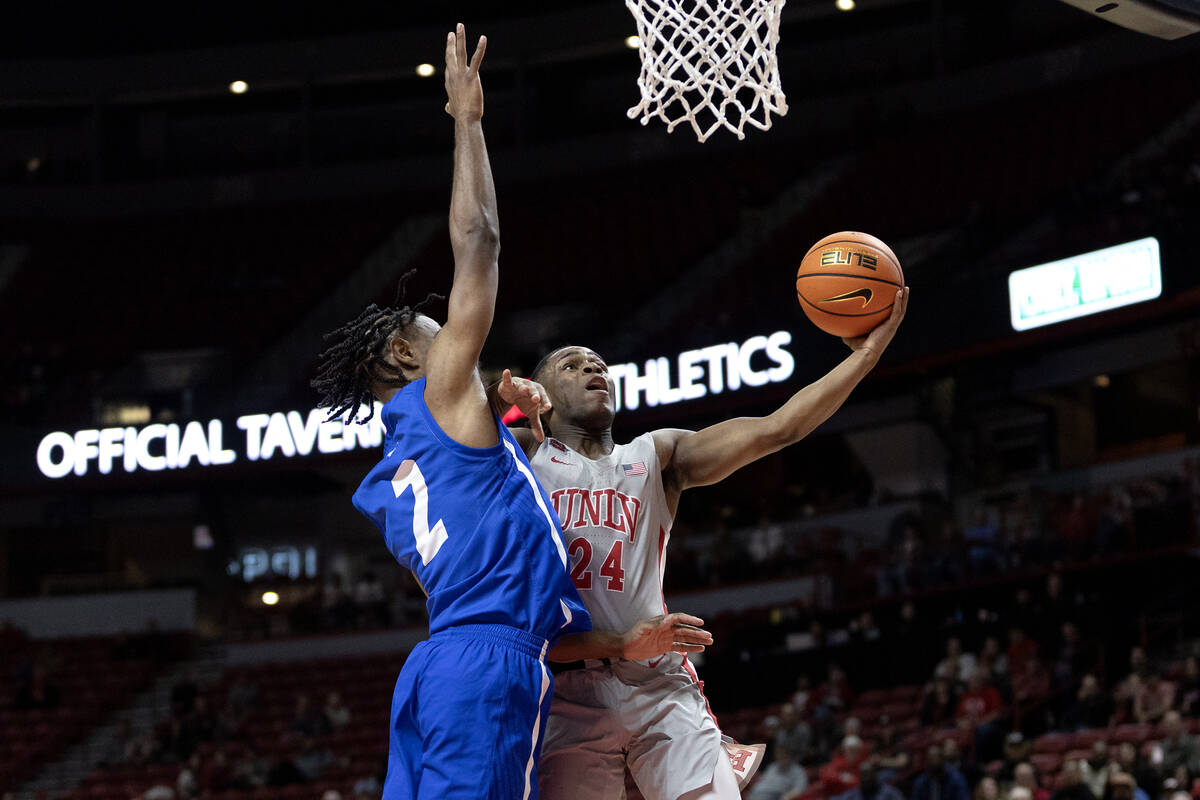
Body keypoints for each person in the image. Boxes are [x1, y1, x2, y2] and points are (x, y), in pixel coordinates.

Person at [312, 25, 707, 800]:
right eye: (432, 333)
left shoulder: (391, 474)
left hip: (434, 669)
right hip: (488, 670)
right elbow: (479, 242)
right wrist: (468, 123)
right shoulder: (438, 393)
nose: (450, 339)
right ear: (401, 354)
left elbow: (488, 520)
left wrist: (505, 408)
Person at [498, 283, 909, 799]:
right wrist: (499, 400)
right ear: (542, 392)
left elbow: (776, 429)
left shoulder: (657, 454)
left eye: (599, 364)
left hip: (657, 679)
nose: (592, 369)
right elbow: (445, 438)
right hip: (563, 691)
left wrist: (867, 356)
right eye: (573, 365)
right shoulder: (517, 461)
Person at [834, 761, 904, 800]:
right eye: (864, 775)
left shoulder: (890, 793)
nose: (866, 778)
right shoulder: (852, 795)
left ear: (875, 775)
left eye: (869, 774)